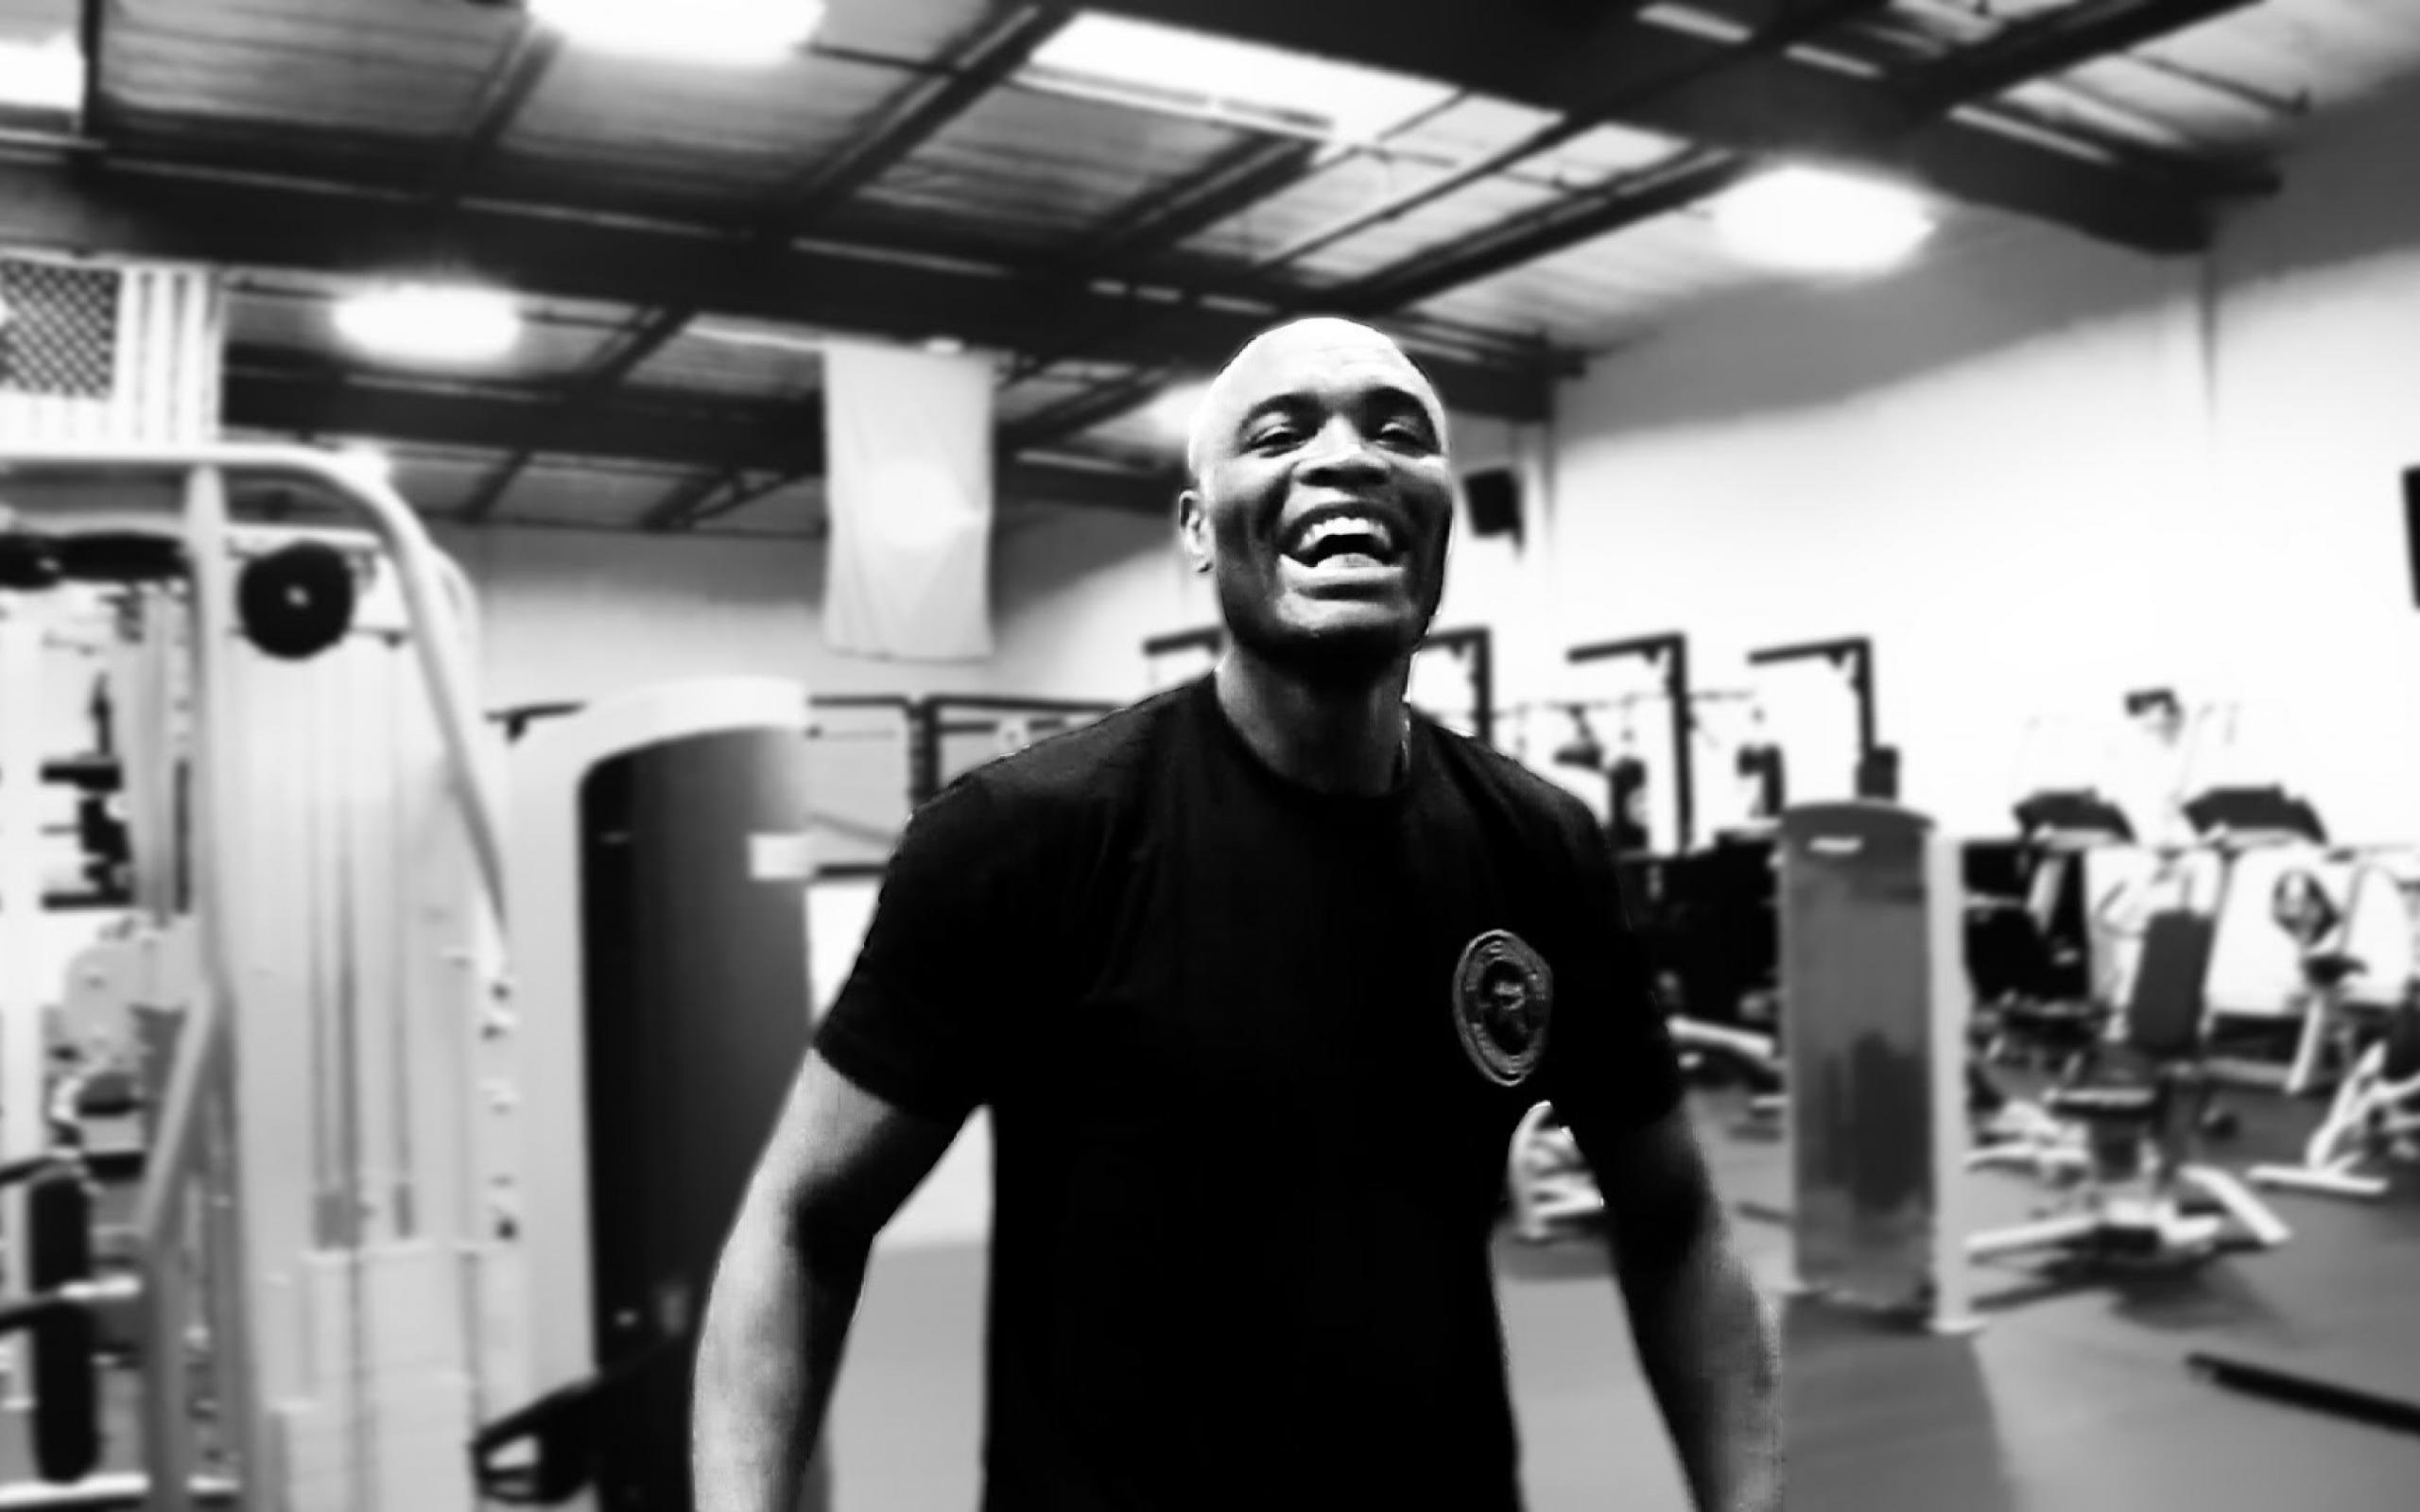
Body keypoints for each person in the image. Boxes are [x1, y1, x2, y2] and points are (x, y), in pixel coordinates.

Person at [692, 317, 1783, 1512]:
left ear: (1439, 516)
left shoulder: (1539, 847)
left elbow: (1675, 1218)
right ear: (1198, 529)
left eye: (1396, 431)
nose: (1346, 456)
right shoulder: (1024, 837)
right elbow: (803, 1221)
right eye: (1278, 433)